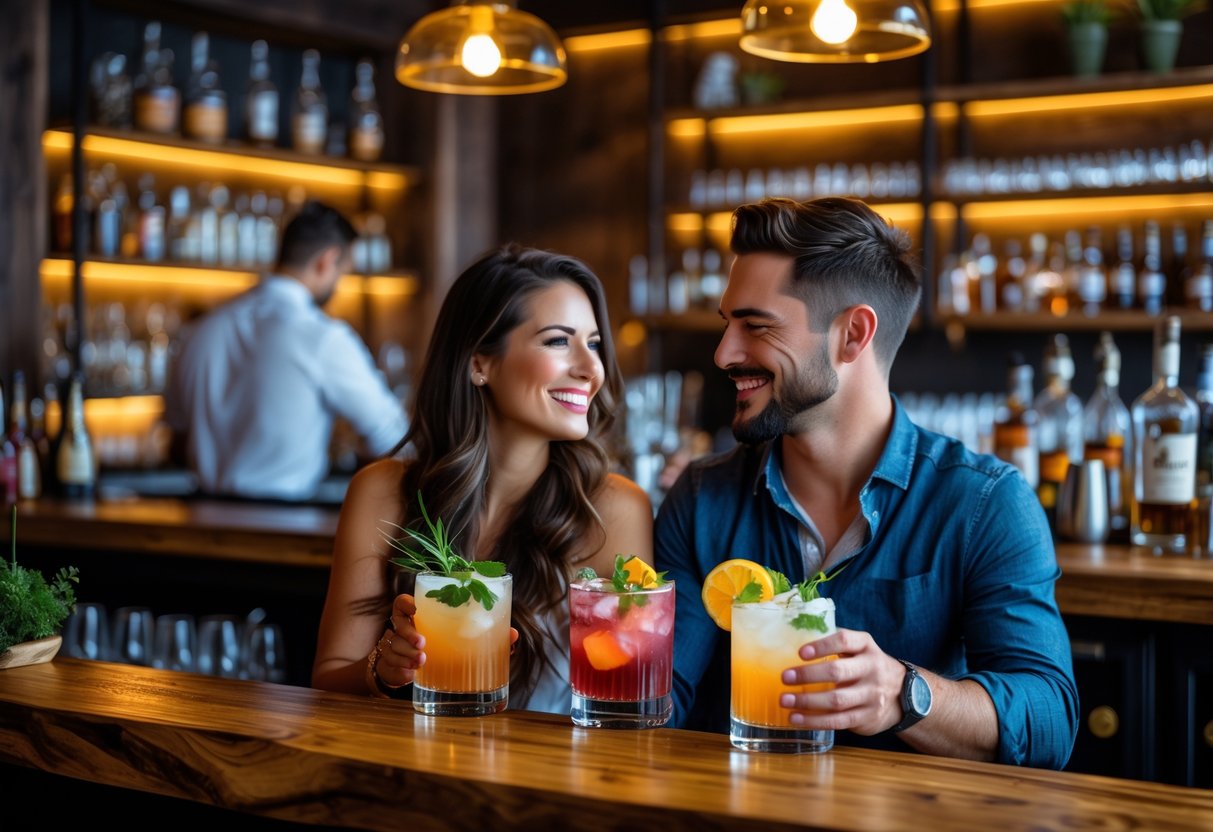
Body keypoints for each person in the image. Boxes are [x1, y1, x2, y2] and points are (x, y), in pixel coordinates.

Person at [655, 197, 1078, 769]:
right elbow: (661, 703)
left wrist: (904, 695)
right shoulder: (701, 499)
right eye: (726, 323)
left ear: (853, 335)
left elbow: (1047, 718)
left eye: (755, 326)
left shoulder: (984, 503)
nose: (724, 352)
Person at [312, 244, 653, 709]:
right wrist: (384, 667)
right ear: (478, 363)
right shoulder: (382, 493)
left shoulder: (614, 508)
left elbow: (622, 698)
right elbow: (329, 679)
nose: (591, 369)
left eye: (593, 344)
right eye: (558, 341)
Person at [164, 200, 406, 501]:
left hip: (200, 523)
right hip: (283, 528)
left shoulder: (200, 330)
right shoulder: (322, 337)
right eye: (342, 273)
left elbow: (176, 438)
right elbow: (393, 437)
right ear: (326, 261)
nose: (338, 285)